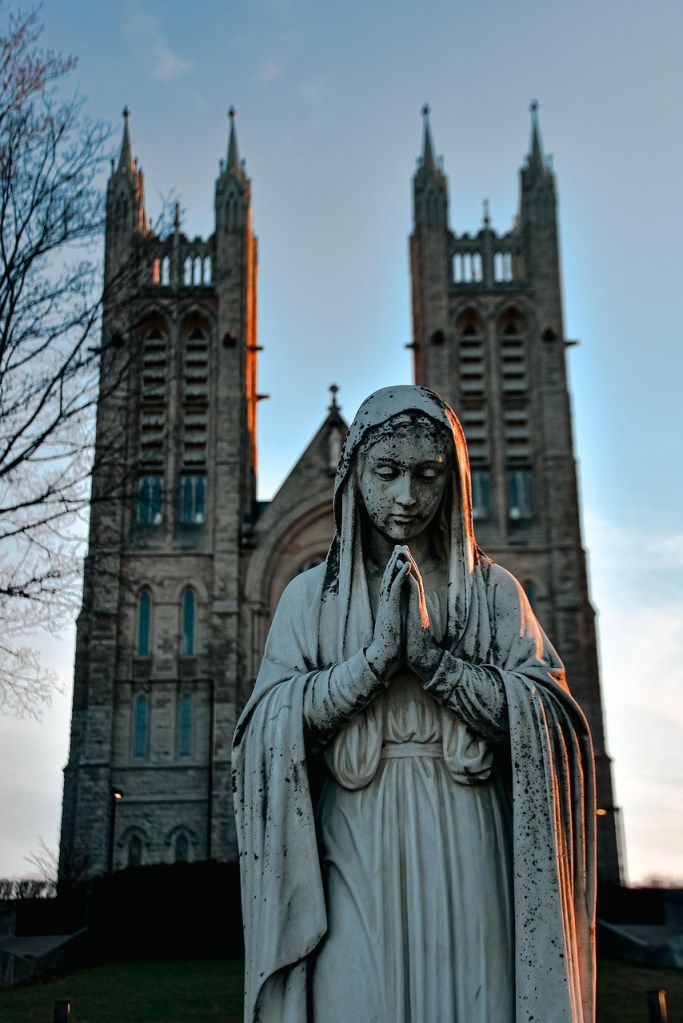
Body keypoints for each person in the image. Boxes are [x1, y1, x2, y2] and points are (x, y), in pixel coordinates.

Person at [233, 384, 596, 1023]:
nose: (407, 496)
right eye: (389, 472)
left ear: (453, 479)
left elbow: (553, 719)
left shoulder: (495, 593)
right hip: (351, 840)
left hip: (468, 838)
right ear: (355, 474)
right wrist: (371, 666)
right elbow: (265, 727)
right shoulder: (308, 598)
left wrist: (436, 665)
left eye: (428, 475)